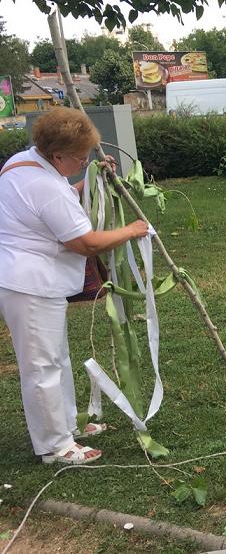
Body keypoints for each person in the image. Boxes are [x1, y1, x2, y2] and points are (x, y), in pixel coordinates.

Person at [0, 108, 149, 465]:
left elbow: (59, 200)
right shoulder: (45, 186)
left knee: (56, 358)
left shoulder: (23, 163)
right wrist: (131, 230)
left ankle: (67, 424)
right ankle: (55, 445)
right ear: (57, 155)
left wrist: (89, 182)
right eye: (80, 158)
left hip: (32, 280)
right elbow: (85, 243)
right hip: (30, 283)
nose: (84, 163)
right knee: (42, 365)